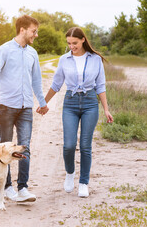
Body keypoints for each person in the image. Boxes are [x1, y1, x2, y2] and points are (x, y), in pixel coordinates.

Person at [37, 27, 113, 198]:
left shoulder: (95, 60)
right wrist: (43, 103)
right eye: (69, 43)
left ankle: (83, 182)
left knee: (86, 146)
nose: (72, 46)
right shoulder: (64, 60)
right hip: (70, 103)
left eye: (75, 43)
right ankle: (70, 173)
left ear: (83, 40)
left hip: (90, 103)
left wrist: (106, 109)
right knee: (69, 145)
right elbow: (56, 84)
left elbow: (100, 86)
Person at [0, 15, 49, 202]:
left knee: (24, 147)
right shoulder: (4, 50)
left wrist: (42, 102)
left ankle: (23, 188)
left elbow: (36, 80)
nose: (35, 35)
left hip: (26, 107)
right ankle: (7, 187)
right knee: (5, 148)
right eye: (33, 31)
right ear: (23, 30)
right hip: (6, 107)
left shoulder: (32, 54)